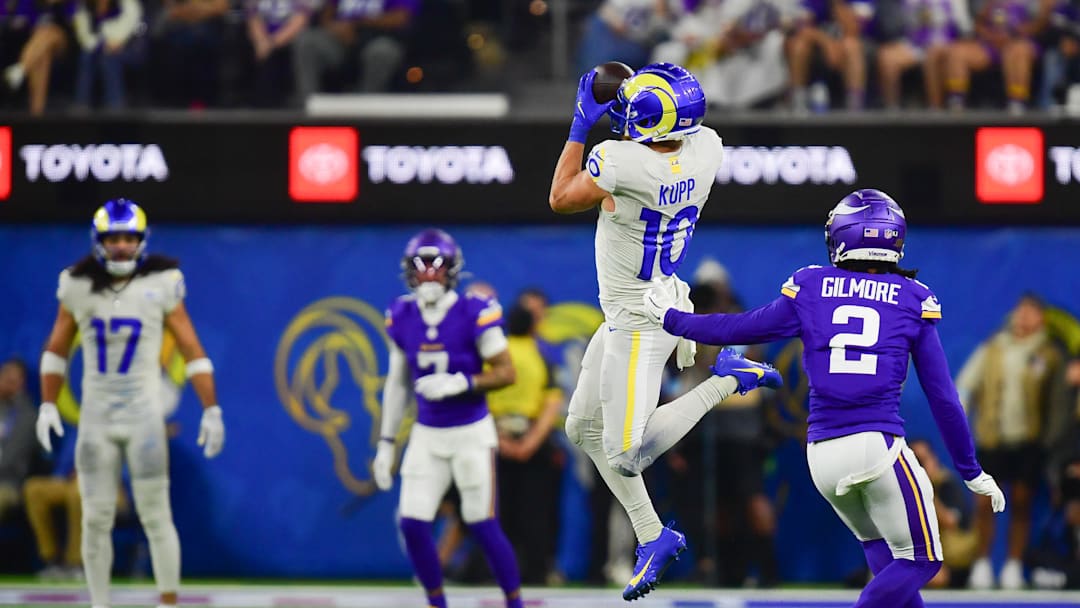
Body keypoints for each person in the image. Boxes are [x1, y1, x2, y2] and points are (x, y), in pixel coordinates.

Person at [642, 188, 1007, 608]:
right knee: (923, 560)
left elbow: (737, 328)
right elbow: (943, 397)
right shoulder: (912, 298)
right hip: (877, 446)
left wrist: (671, 319)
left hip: (823, 454)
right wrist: (970, 468)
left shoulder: (813, 285)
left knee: (886, 559)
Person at [548, 61, 781, 601]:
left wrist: (581, 126)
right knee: (582, 428)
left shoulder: (623, 160)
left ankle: (727, 379)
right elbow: (667, 140)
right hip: (653, 296)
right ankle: (653, 534)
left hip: (640, 317)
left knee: (627, 452)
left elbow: (561, 196)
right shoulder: (707, 149)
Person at [34, 198, 226, 608]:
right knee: (95, 519)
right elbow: (56, 351)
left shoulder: (163, 283)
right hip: (97, 418)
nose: (121, 246)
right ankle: (99, 604)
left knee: (156, 517)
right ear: (98, 241)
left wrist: (212, 408)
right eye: (113, 238)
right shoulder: (77, 284)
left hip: (144, 417)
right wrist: (48, 404)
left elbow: (193, 349)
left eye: (128, 237)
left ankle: (169, 602)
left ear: (141, 240)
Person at [371, 228, 524, 608]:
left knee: (483, 524)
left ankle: (515, 603)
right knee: (412, 522)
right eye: (421, 267)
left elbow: (506, 372)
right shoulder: (400, 314)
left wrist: (462, 382)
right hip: (428, 433)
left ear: (452, 270)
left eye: (436, 267)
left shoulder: (474, 310)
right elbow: (397, 384)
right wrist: (386, 444)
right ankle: (437, 603)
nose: (428, 275)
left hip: (471, 430)